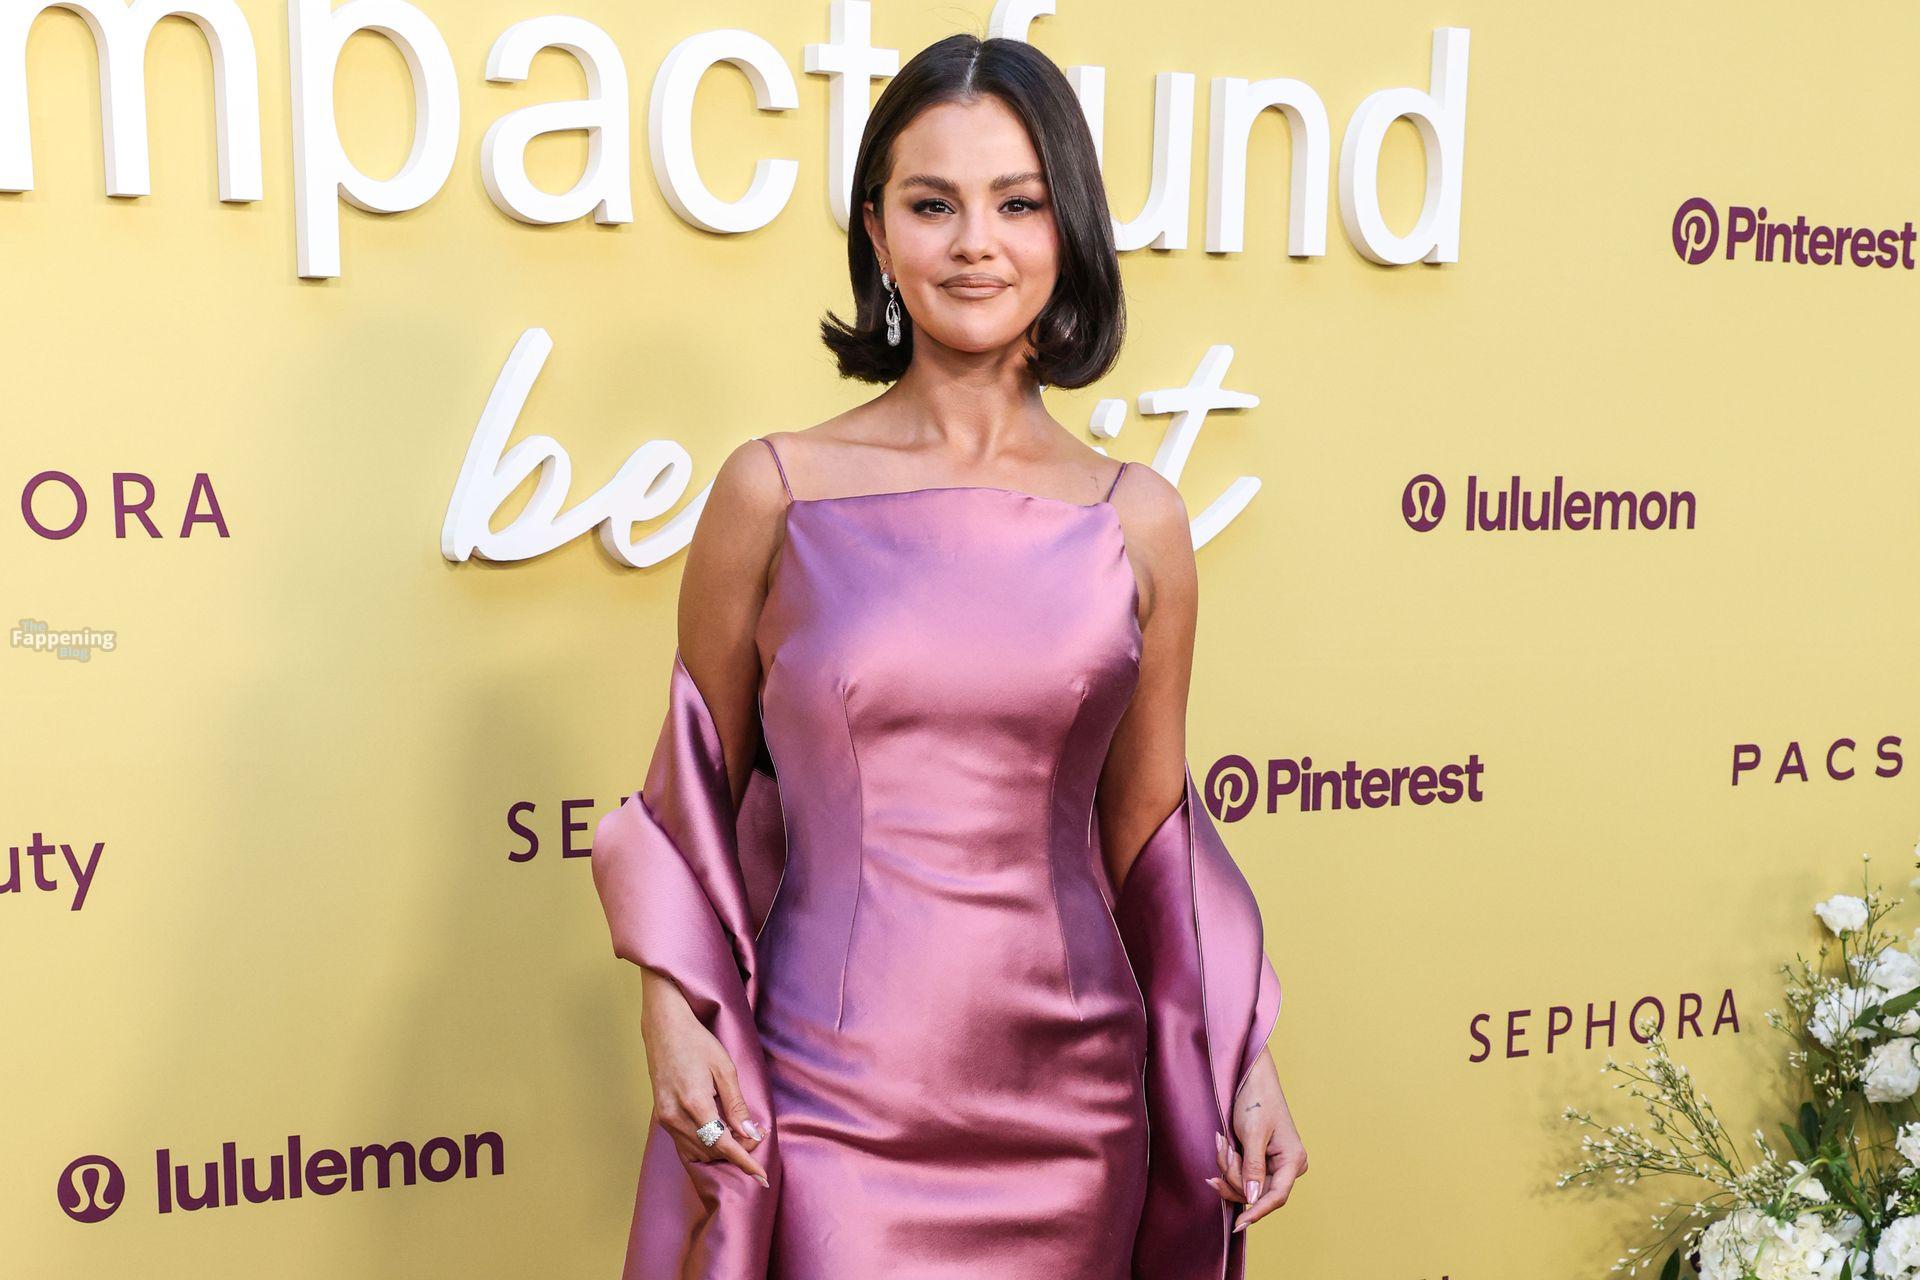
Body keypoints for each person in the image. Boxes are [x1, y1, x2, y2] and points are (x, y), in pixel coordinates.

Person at [590, 31, 1305, 1280]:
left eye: (1017, 203)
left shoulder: (1137, 519)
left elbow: (1153, 834)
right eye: (934, 204)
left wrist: (1242, 1055)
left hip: (1078, 1108)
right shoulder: (774, 491)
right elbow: (689, 796)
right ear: (877, 231)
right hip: (830, 1092)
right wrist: (669, 1007)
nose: (977, 242)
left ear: (1068, 227)